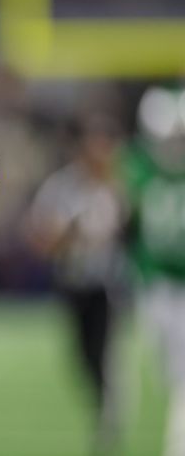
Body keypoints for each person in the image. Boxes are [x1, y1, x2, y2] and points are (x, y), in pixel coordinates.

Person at [26, 115, 128, 455]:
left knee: (103, 351)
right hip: (73, 281)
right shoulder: (63, 186)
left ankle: (110, 413)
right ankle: (103, 402)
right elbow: (41, 234)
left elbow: (127, 231)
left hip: (106, 283)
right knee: (81, 355)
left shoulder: (115, 186)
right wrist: (68, 234)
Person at [124, 86, 185, 456]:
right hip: (154, 284)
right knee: (165, 372)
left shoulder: (143, 169)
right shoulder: (140, 168)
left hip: (179, 286)